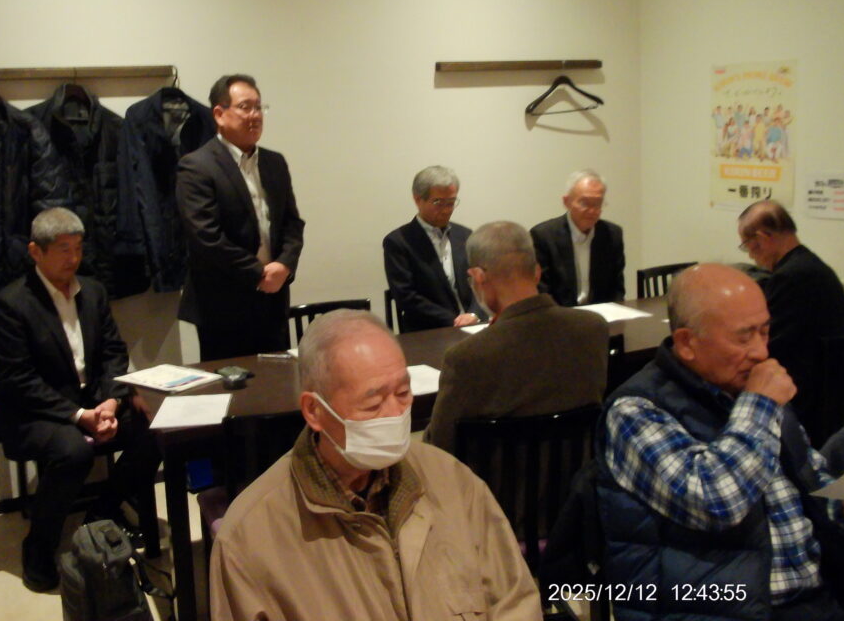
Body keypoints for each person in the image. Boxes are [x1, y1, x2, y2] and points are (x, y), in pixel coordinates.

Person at [209, 310, 543, 620]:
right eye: (372, 404)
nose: (395, 413)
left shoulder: (452, 480)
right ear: (315, 411)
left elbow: (515, 599)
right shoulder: (250, 540)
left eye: (403, 392)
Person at [597, 263, 844, 621]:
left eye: (764, 332)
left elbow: (810, 481)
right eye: (743, 338)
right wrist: (760, 405)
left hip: (814, 598)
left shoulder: (751, 389)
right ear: (687, 343)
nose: (761, 352)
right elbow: (716, 504)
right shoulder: (636, 411)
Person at [0, 208, 161, 592]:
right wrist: (79, 415)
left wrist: (110, 403)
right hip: (36, 412)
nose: (74, 258)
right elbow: (18, 380)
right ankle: (38, 547)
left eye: (78, 248)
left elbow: (113, 352)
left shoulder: (92, 291)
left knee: (155, 430)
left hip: (94, 401)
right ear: (36, 251)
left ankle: (102, 512)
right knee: (73, 453)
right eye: (63, 249)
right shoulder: (10, 303)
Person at [423, 221, 608, 454]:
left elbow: (440, 445)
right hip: (578, 472)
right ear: (537, 272)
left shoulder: (466, 357)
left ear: (478, 277)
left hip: (491, 478)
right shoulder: (593, 329)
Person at [176, 74, 304, 360]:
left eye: (259, 107)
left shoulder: (274, 162)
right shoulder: (196, 166)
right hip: (223, 304)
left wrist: (285, 265)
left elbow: (292, 224)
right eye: (245, 107)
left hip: (273, 297)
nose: (255, 115)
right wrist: (258, 273)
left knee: (278, 377)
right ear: (219, 114)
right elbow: (206, 237)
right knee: (233, 382)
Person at [738, 200, 844, 430]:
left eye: (747, 245)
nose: (750, 256)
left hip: (805, 394)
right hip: (832, 384)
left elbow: (768, 345)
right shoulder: (810, 265)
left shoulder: (792, 277)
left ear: (763, 238)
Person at [382, 165, 486, 331]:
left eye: (451, 202)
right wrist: (455, 321)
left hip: (473, 325)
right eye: (438, 202)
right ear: (418, 200)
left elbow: (481, 281)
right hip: (429, 331)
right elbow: (406, 297)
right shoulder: (399, 242)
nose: (446, 210)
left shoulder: (465, 235)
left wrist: (474, 314)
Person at [529, 169, 625, 307]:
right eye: (584, 203)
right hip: (560, 315)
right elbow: (542, 291)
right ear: (566, 202)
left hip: (602, 314)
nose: (592, 210)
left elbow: (617, 289)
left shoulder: (612, 234)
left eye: (597, 203)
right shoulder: (543, 236)